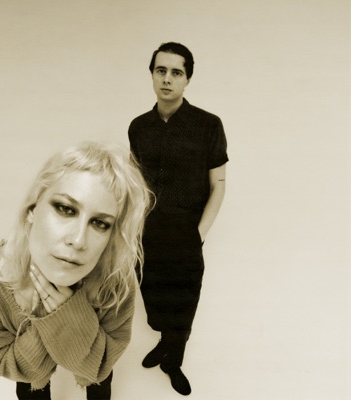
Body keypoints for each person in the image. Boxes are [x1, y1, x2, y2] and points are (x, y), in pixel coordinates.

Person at [0, 141, 151, 400]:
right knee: (32, 389)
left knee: (99, 387)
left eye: (100, 223)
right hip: (31, 377)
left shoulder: (115, 276)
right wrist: (52, 318)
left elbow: (102, 363)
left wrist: (69, 316)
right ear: (32, 209)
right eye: (66, 209)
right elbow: (0, 363)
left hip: (95, 369)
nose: (78, 240)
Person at [128, 42, 228, 396]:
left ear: (187, 79)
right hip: (147, 232)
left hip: (186, 231)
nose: (167, 79)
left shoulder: (208, 125)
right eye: (161, 71)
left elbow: (218, 184)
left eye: (176, 72)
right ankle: (164, 341)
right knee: (154, 300)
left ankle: (173, 361)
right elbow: (134, 182)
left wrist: (198, 235)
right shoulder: (138, 127)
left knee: (184, 303)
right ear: (152, 74)